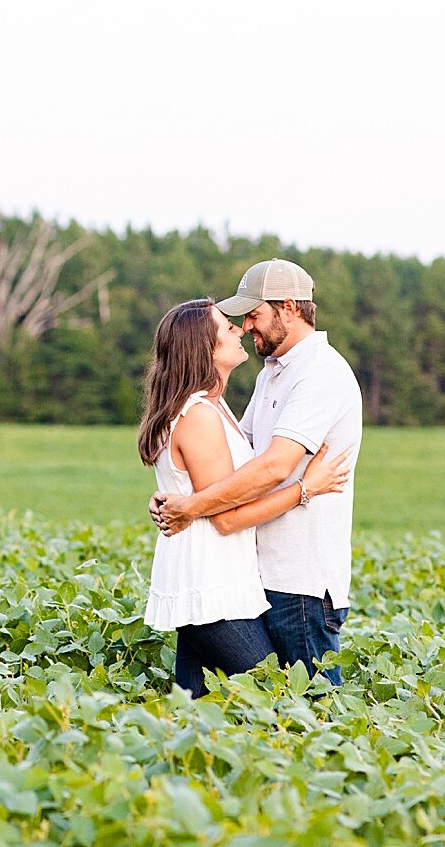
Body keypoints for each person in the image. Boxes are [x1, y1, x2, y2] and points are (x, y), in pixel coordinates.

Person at [150, 259, 363, 686]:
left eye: (253, 314)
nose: (245, 326)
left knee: (307, 719)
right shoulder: (271, 374)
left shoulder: (319, 373)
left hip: (299, 580)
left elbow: (273, 465)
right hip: (247, 578)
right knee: (248, 709)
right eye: (237, 321)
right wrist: (177, 485)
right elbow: (237, 459)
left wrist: (189, 504)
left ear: (288, 308)